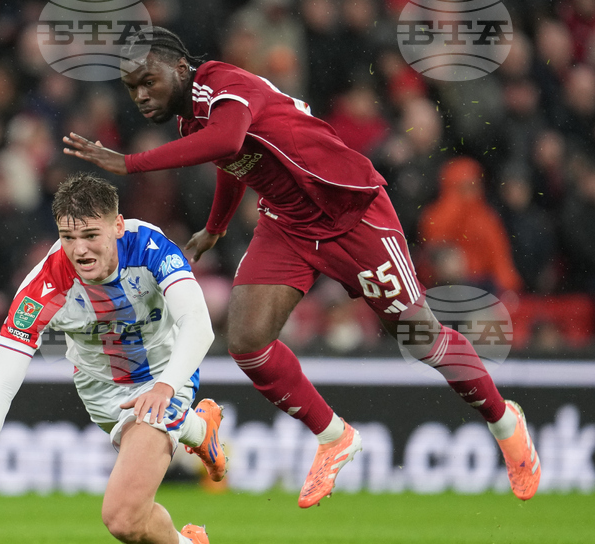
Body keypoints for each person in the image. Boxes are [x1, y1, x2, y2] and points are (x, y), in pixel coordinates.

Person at [62, 27, 541, 507]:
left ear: (181, 68)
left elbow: (228, 140)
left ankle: (505, 422)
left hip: (352, 213)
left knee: (421, 339)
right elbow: (234, 161)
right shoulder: (192, 121)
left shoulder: (222, 83)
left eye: (149, 81)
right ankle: (334, 437)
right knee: (247, 341)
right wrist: (218, 226)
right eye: (132, 88)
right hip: (288, 223)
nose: (142, 95)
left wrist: (131, 162)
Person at [0, 173, 225, 544]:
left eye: (91, 235)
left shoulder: (148, 245)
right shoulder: (41, 286)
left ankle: (189, 429)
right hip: (101, 392)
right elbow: (2, 384)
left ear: (118, 225)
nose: (79, 249)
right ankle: (195, 542)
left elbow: (199, 325)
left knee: (120, 517)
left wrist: (164, 387)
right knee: (131, 524)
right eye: (68, 237)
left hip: (165, 374)